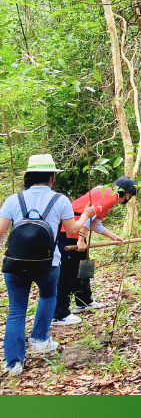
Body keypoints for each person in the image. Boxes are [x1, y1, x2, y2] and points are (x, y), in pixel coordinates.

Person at [0, 154, 95, 377]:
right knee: (47, 296)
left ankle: (13, 363)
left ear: (29, 176)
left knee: (16, 311)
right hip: (48, 263)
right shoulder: (60, 200)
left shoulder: (13, 200)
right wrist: (87, 215)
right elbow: (72, 230)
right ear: (52, 177)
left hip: (15, 265)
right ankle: (40, 339)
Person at [52, 176, 137, 326]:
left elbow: (95, 222)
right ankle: (59, 314)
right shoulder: (111, 197)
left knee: (83, 268)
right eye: (130, 195)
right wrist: (80, 239)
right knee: (69, 273)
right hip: (69, 231)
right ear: (126, 192)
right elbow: (87, 218)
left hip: (75, 230)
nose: (129, 199)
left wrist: (114, 236)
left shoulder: (104, 192)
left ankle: (84, 302)